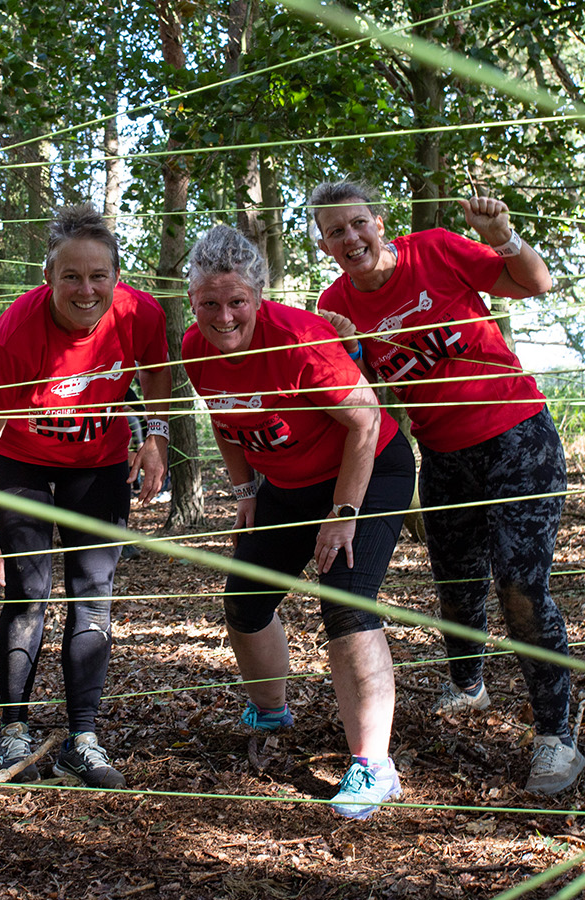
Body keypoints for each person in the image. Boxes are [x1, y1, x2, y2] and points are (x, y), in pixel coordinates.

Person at [309, 181, 585, 795]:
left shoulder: (434, 249)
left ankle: (556, 736)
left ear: (379, 223)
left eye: (358, 223)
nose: (350, 238)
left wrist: (502, 237)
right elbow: (362, 398)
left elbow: (534, 283)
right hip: (442, 457)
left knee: (519, 583)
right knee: (457, 585)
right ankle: (468, 685)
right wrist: (343, 346)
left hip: (517, 436)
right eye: (335, 231)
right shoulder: (336, 302)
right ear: (324, 243)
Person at [182, 224, 416, 820]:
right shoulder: (193, 348)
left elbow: (365, 422)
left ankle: (374, 766)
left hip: (367, 470)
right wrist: (245, 490)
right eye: (210, 303)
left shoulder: (300, 340)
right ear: (192, 302)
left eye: (237, 302)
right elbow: (223, 417)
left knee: (345, 600)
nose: (224, 316)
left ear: (259, 296)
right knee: (245, 599)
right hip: (285, 484)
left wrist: (343, 514)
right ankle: (271, 712)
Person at [0, 203, 170, 789]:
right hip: (22, 463)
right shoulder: (17, 332)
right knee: (28, 591)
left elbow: (156, 371)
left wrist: (155, 436)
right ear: (48, 277)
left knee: (92, 593)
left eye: (98, 275)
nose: (86, 289)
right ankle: (14, 730)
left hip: (97, 466)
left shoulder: (139, 312)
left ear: (116, 277)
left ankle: (83, 738)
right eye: (70, 276)